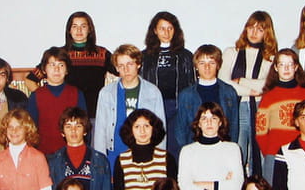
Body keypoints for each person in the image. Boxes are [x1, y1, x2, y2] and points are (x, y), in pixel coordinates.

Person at [26, 11, 117, 123]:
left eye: (83, 26)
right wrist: (48, 98)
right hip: (66, 119)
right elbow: (29, 80)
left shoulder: (102, 54)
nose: (79, 30)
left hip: (95, 115)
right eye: (74, 26)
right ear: (69, 30)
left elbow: (122, 71)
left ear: (89, 30)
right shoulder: (61, 55)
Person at [218, 10, 277, 174]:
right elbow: (224, 83)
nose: (254, 32)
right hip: (235, 108)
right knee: (237, 153)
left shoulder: (270, 57)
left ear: (266, 33)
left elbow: (267, 85)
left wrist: (241, 81)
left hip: (261, 108)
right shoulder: (232, 52)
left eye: (260, 29)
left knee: (259, 154)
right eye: (251, 27)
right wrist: (251, 91)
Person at [93, 44, 166, 171]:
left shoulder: (153, 92)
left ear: (138, 64)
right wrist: (100, 162)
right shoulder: (106, 93)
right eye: (121, 66)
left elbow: (160, 129)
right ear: (116, 68)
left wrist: (160, 159)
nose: (126, 69)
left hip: (145, 153)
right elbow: (100, 130)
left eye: (130, 64)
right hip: (115, 153)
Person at [255, 48, 305, 181]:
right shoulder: (268, 97)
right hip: (275, 154)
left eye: (290, 64)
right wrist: (269, 153)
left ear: (296, 67)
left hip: (302, 152)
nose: (286, 68)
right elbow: (261, 131)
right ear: (276, 68)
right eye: (282, 64)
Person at [141, 11, 195, 156]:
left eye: (170, 28)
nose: (166, 32)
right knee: (155, 147)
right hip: (153, 107)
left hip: (178, 107)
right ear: (155, 30)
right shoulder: (144, 57)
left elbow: (192, 85)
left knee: (176, 147)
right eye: (162, 28)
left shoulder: (186, 56)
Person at [175, 44, 239, 157]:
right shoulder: (186, 95)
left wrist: (229, 150)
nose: (207, 67)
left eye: (212, 63)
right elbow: (180, 129)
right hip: (195, 152)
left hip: (222, 151)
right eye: (202, 63)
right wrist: (189, 153)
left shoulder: (229, 92)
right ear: (196, 66)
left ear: (218, 65)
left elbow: (234, 126)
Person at [27, 47, 86, 155]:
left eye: (61, 65)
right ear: (44, 69)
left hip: (71, 153)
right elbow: (30, 130)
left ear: (67, 70)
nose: (57, 69)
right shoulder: (36, 96)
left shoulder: (77, 94)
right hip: (43, 155)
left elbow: (84, 127)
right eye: (52, 65)